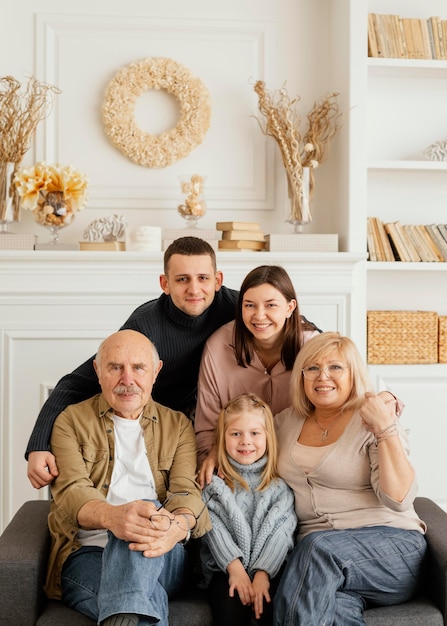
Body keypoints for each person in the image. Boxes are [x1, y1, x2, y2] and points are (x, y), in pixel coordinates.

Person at [26, 236, 239, 489]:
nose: (194, 289)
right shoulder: (145, 325)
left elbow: (286, 317)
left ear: (218, 281)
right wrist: (38, 446)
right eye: (182, 279)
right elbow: (76, 382)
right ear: (165, 283)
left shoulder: (236, 305)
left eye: (203, 278)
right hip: (156, 424)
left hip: (210, 414)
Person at [45, 329, 211, 626]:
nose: (127, 379)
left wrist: (180, 525)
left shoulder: (178, 425)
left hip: (162, 553)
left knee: (142, 511)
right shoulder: (70, 421)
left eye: (138, 367)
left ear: (155, 372)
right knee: (144, 603)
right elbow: (72, 492)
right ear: (98, 370)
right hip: (88, 554)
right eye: (115, 367)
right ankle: (127, 611)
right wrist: (113, 517)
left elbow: (186, 491)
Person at [272, 331, 427, 625]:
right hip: (321, 565)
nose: (322, 377)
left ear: (353, 374)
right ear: (301, 376)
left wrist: (385, 428)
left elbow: (399, 499)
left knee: (318, 549)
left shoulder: (372, 416)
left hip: (392, 549)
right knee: (333, 610)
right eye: (312, 368)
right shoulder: (283, 423)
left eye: (335, 367)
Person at [195, 265, 321, 481]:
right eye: (250, 305)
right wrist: (213, 455)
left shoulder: (312, 346)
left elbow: (346, 391)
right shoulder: (218, 348)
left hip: (296, 462)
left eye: (271, 305)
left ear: (290, 307)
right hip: (235, 464)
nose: (259, 316)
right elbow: (207, 426)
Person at [200, 393, 297, 626]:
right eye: (235, 434)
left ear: (267, 437)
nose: (245, 441)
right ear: (222, 438)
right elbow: (212, 528)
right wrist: (235, 569)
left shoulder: (279, 488)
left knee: (268, 609)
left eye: (254, 433)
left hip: (269, 570)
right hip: (226, 570)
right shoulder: (213, 485)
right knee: (230, 608)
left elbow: (282, 534)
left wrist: (263, 574)